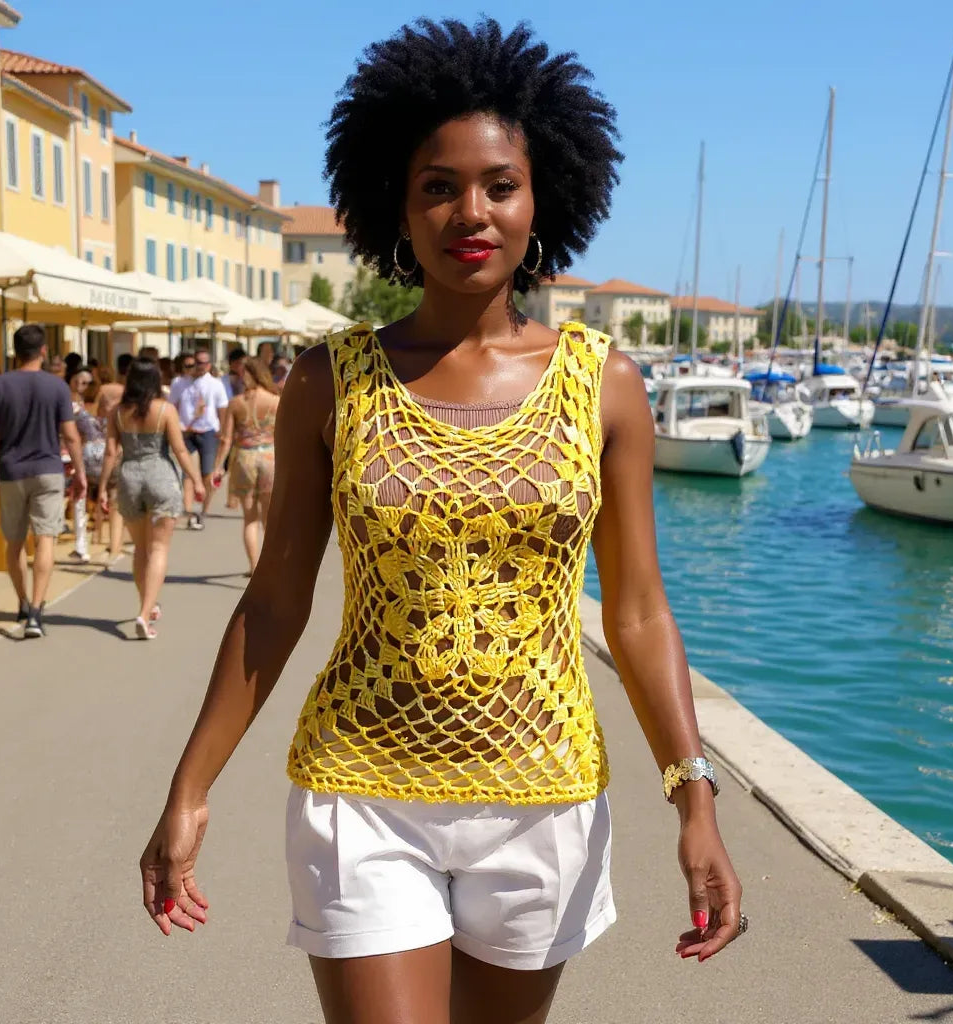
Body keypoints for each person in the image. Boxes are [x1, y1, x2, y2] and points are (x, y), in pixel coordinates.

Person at [138, 20, 744, 1024]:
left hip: (543, 800)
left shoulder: (608, 387)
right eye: (437, 185)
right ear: (396, 202)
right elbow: (277, 597)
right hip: (361, 792)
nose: (472, 211)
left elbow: (636, 612)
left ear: (542, 197)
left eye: (500, 184)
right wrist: (190, 785)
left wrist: (694, 797)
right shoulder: (330, 379)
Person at [0, 324, 86, 638]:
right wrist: (80, 472)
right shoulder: (57, 387)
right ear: (43, 351)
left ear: (14, 352)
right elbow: (70, 435)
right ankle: (37, 612)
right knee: (45, 539)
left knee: (14, 543)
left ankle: (23, 601)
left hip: (11, 470)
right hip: (48, 469)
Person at [97, 358, 204, 639]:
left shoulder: (118, 412)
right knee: (159, 549)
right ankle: (145, 614)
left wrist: (101, 488)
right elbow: (180, 450)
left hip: (129, 477)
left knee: (140, 549)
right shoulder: (165, 410)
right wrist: (196, 480)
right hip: (160, 477)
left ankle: (147, 604)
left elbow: (110, 452)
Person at [212, 357, 280, 575]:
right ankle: (271, 565)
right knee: (269, 517)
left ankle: (254, 566)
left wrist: (217, 467)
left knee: (249, 518)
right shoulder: (275, 401)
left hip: (244, 458)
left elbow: (226, 439)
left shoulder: (236, 403)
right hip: (270, 457)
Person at [169, 348, 227, 530]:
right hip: (186, 431)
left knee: (207, 473)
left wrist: (223, 430)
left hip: (208, 431)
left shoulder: (215, 384)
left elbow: (223, 408)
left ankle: (203, 511)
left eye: (202, 363)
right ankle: (188, 513)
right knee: (188, 473)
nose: (197, 366)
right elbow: (172, 405)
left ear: (208, 365)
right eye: (194, 363)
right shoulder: (179, 383)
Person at [65, 365, 97, 563]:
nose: (81, 386)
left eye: (86, 383)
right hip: (65, 455)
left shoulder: (91, 403)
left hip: (79, 455)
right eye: (79, 381)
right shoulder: (67, 402)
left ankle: (81, 545)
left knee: (78, 501)